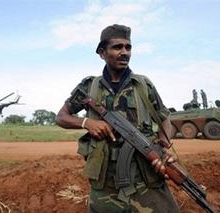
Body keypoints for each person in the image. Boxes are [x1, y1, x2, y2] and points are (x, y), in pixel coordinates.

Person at [56, 24, 179, 213]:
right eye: (117, 47)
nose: (125, 52)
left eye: (128, 47)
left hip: (146, 177)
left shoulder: (143, 85)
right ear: (101, 53)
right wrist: (86, 122)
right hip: (106, 184)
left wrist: (164, 142)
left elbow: (165, 118)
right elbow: (61, 117)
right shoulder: (89, 86)